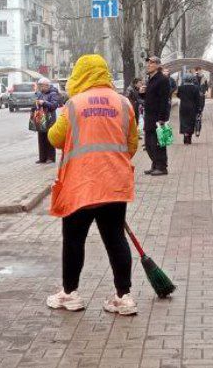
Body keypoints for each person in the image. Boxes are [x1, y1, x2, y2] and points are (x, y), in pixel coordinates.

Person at [46, 54, 139, 316]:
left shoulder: (74, 104)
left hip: (81, 185)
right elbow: (132, 144)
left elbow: (55, 138)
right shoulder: (124, 103)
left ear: (80, 74)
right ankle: (124, 297)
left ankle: (70, 294)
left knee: (74, 239)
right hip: (114, 183)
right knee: (115, 238)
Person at [143, 56, 171, 175]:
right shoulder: (150, 79)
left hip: (158, 117)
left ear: (158, 65)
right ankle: (155, 164)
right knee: (149, 144)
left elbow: (164, 100)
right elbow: (150, 98)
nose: (148, 65)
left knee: (159, 143)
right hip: (149, 117)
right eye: (148, 63)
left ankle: (162, 167)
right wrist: (142, 94)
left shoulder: (162, 80)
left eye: (151, 63)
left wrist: (162, 118)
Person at [33, 77, 61, 164]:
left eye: (42, 86)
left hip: (50, 119)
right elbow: (37, 103)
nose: (41, 88)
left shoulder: (53, 93)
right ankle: (42, 158)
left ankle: (51, 158)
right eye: (40, 86)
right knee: (41, 138)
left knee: (49, 138)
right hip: (41, 119)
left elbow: (54, 105)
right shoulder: (40, 93)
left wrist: (44, 102)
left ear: (47, 85)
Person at [176, 74, 202, 145]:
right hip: (192, 107)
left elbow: (178, 95)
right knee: (191, 122)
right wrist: (199, 109)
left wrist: (184, 98)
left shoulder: (181, 87)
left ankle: (185, 135)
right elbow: (198, 99)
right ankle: (189, 138)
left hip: (183, 107)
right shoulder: (195, 88)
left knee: (184, 122)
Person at [194, 67, 208, 136]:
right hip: (195, 96)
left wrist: (205, 91)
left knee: (201, 108)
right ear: (196, 71)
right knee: (197, 111)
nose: (199, 71)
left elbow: (206, 86)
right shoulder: (194, 78)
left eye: (200, 70)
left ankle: (199, 114)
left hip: (202, 96)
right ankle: (197, 128)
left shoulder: (204, 78)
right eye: (198, 70)